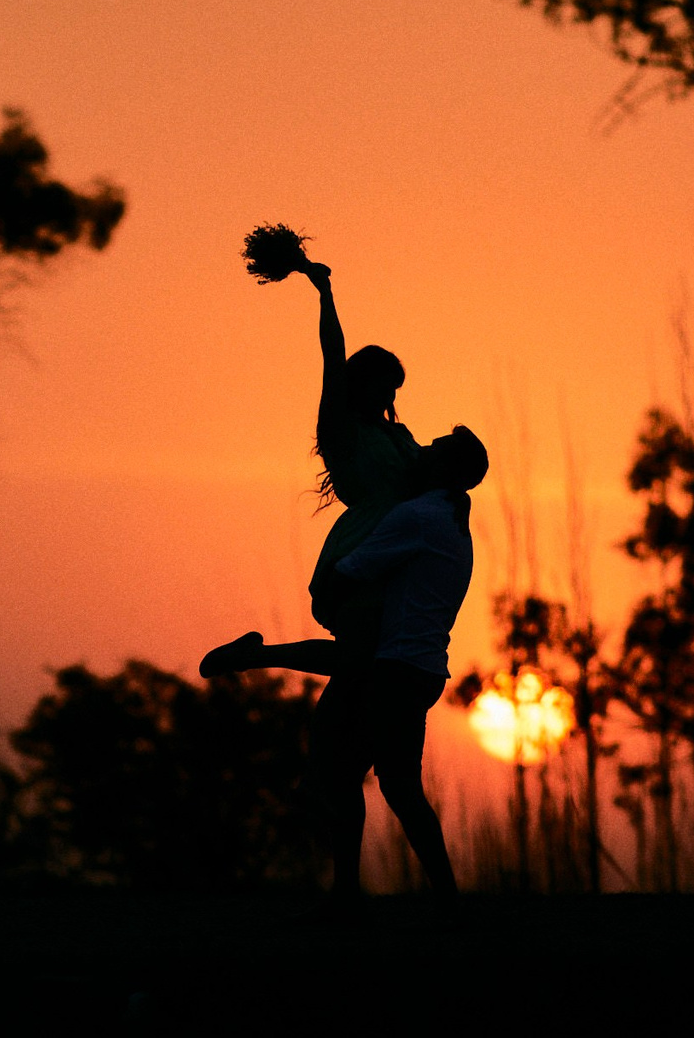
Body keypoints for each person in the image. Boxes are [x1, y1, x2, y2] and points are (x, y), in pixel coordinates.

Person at [199, 256, 487, 897]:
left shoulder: (402, 437)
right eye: (386, 386)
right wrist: (321, 288)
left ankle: (345, 888)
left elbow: (449, 481)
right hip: (362, 557)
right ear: (367, 385)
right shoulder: (343, 430)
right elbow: (332, 354)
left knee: (356, 691)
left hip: (392, 561)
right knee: (360, 661)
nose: (393, 399)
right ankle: (262, 657)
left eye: (396, 388)